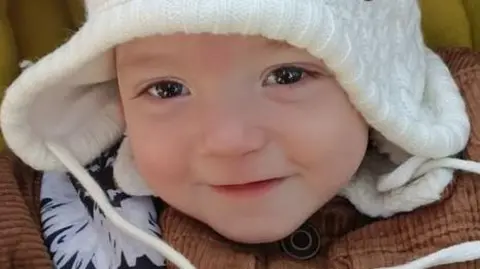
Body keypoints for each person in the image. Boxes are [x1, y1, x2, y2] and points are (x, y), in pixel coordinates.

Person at [1, 0, 480, 268]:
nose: (229, 141)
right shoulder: (47, 206)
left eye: (287, 76)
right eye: (167, 89)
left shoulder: (469, 115)